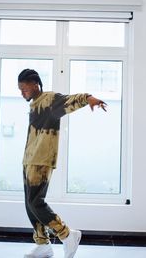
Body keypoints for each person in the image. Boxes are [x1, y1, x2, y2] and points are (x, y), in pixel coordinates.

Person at [18, 69, 107, 258]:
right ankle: (43, 245)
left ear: (35, 85)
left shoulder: (49, 99)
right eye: (20, 89)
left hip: (42, 159)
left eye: (24, 88)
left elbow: (70, 101)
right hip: (29, 159)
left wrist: (89, 98)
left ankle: (67, 235)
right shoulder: (35, 104)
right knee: (29, 203)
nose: (22, 93)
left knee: (36, 202)